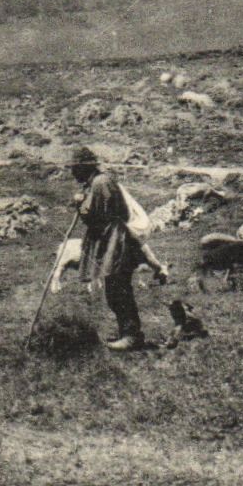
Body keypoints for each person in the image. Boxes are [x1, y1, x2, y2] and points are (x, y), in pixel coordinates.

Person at [68, 146, 162, 351]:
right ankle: (126, 332)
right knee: (115, 289)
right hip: (111, 242)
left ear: (84, 168)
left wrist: (80, 204)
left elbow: (96, 214)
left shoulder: (101, 183)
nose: (72, 173)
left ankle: (132, 336)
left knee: (119, 289)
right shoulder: (97, 182)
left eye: (75, 168)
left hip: (117, 243)